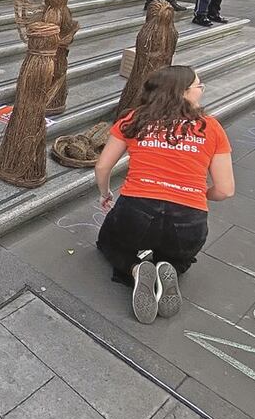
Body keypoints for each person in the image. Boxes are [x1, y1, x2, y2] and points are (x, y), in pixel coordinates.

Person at [94, 65, 234, 324]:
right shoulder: (211, 128)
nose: (202, 91)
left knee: (109, 241)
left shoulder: (134, 119)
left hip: (135, 213)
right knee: (181, 253)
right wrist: (198, 193)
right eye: (198, 86)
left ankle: (135, 269)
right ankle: (170, 267)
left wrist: (106, 193)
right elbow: (225, 190)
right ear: (182, 93)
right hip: (188, 221)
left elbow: (103, 166)